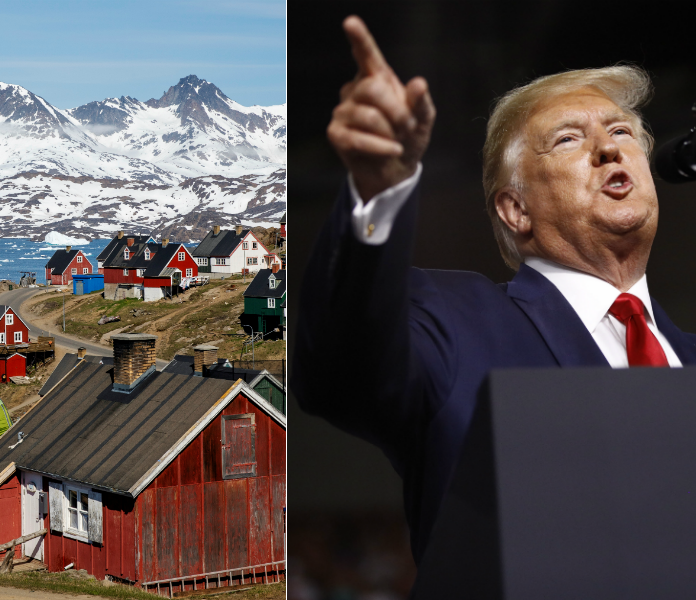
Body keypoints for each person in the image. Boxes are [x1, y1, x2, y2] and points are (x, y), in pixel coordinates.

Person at [291, 14, 696, 591]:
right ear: (515, 210)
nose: (609, 148)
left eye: (623, 132)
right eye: (569, 139)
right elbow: (339, 367)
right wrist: (377, 194)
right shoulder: (453, 320)